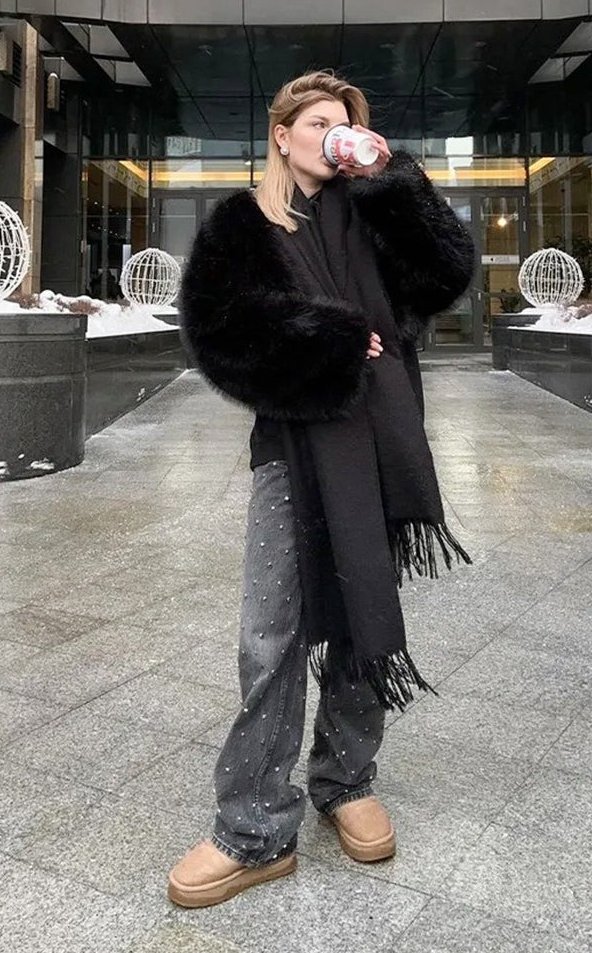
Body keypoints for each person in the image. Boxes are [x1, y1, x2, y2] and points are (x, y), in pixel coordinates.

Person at [168, 70, 475, 909]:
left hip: (382, 441)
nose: (332, 136)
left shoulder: (376, 211)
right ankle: (254, 827)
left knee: (362, 609)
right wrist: (331, 341)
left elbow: (446, 276)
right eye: (318, 124)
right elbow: (218, 335)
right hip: (291, 449)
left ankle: (347, 779)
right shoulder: (243, 223)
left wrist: (395, 181)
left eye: (344, 124)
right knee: (270, 635)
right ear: (282, 135)